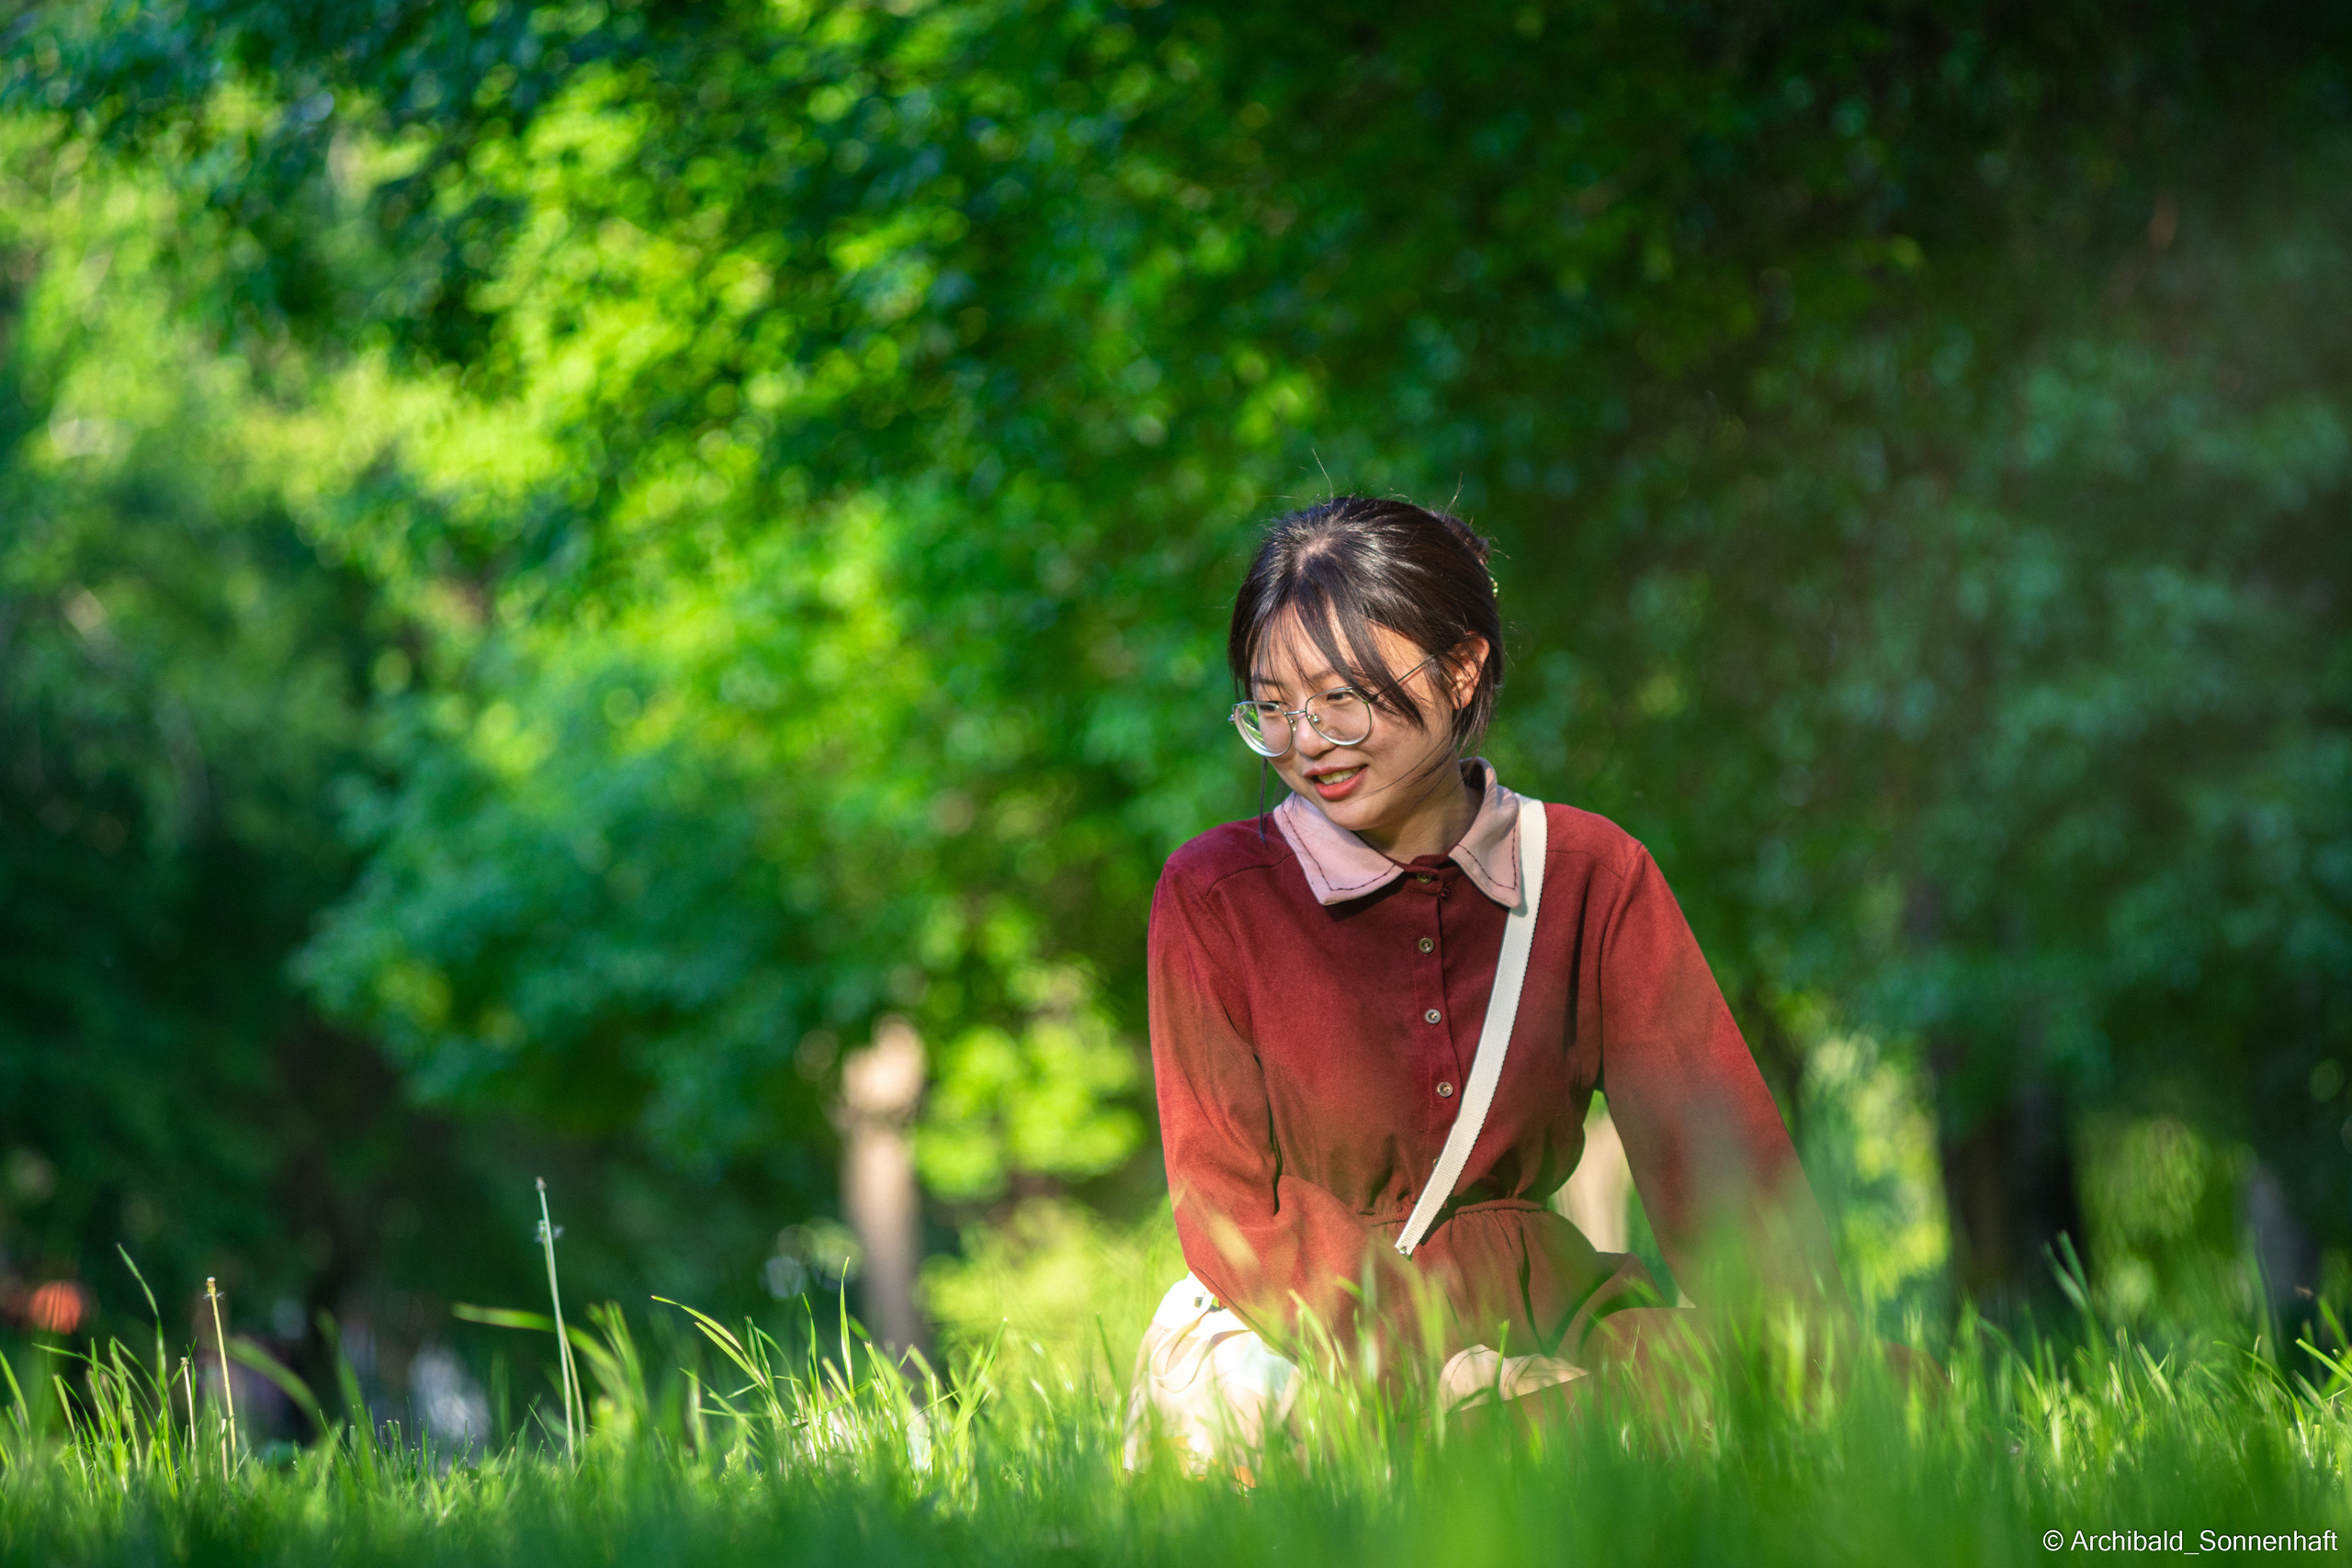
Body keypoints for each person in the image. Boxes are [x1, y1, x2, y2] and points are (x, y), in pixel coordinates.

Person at [1140, 496, 1842, 1434]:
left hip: (1547, 1313)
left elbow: (1721, 1177)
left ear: (1462, 670)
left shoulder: (1591, 874)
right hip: (1305, 1337)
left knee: (1853, 1389)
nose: (1304, 743)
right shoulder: (1217, 893)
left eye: (1340, 701)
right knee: (1385, 1439)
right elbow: (1228, 1206)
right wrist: (1436, 1370)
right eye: (1271, 708)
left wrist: (1803, 1371)